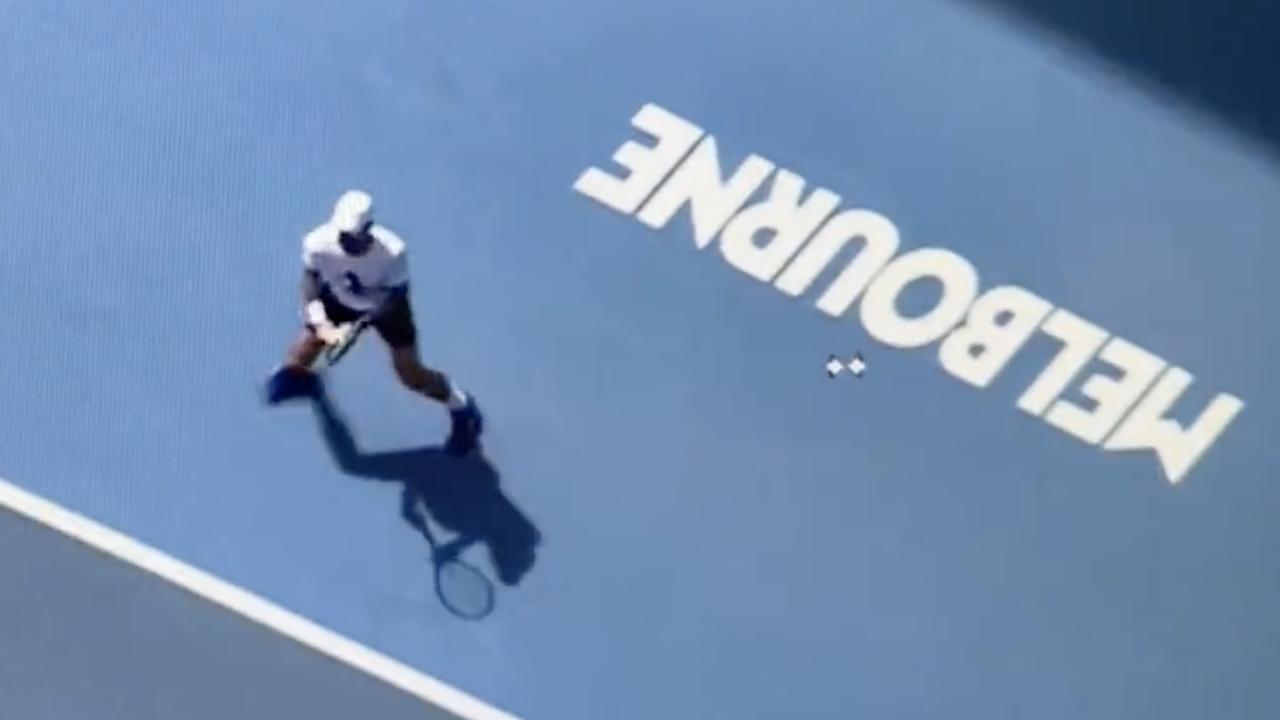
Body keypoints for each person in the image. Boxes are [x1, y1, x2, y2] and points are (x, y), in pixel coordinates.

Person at [264, 189, 484, 456]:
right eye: (342, 234)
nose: (346, 241)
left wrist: (356, 326)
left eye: (353, 236)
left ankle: (461, 406)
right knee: (303, 351)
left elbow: (394, 298)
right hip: (339, 297)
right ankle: (301, 381)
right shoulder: (317, 242)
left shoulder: (393, 253)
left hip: (386, 308)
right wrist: (322, 324)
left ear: (368, 230)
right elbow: (310, 282)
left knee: (410, 375)